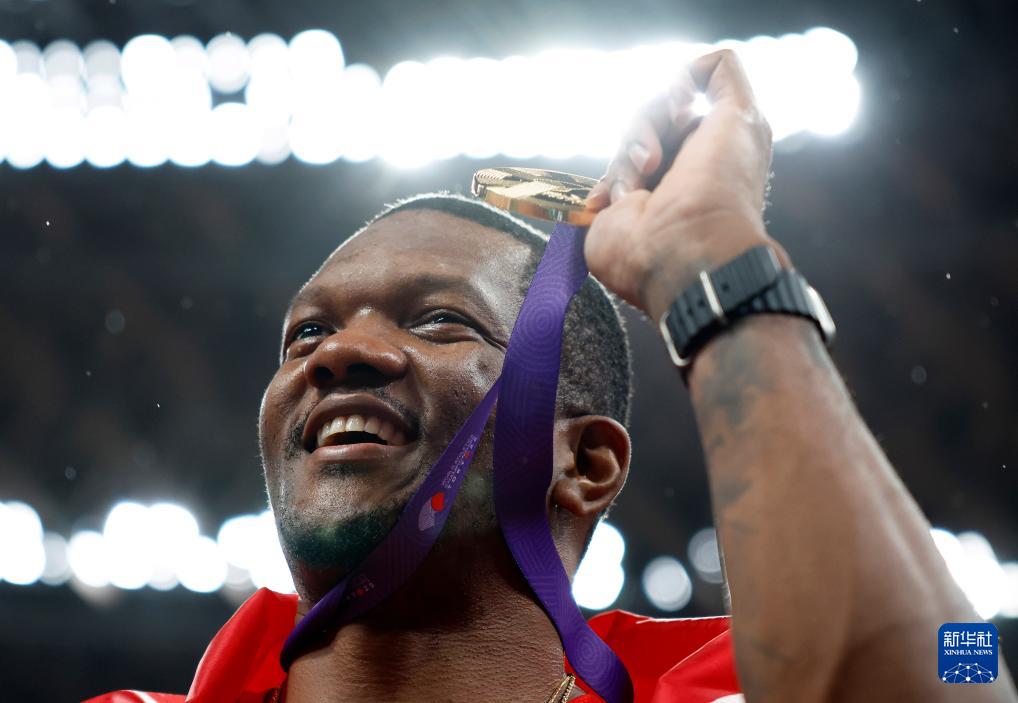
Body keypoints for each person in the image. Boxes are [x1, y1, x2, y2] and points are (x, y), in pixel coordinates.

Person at [87, 50, 1016, 703]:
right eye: (307, 335)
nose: (337, 353)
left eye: (440, 320)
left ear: (588, 463)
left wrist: (713, 265)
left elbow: (964, 666)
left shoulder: (727, 683)